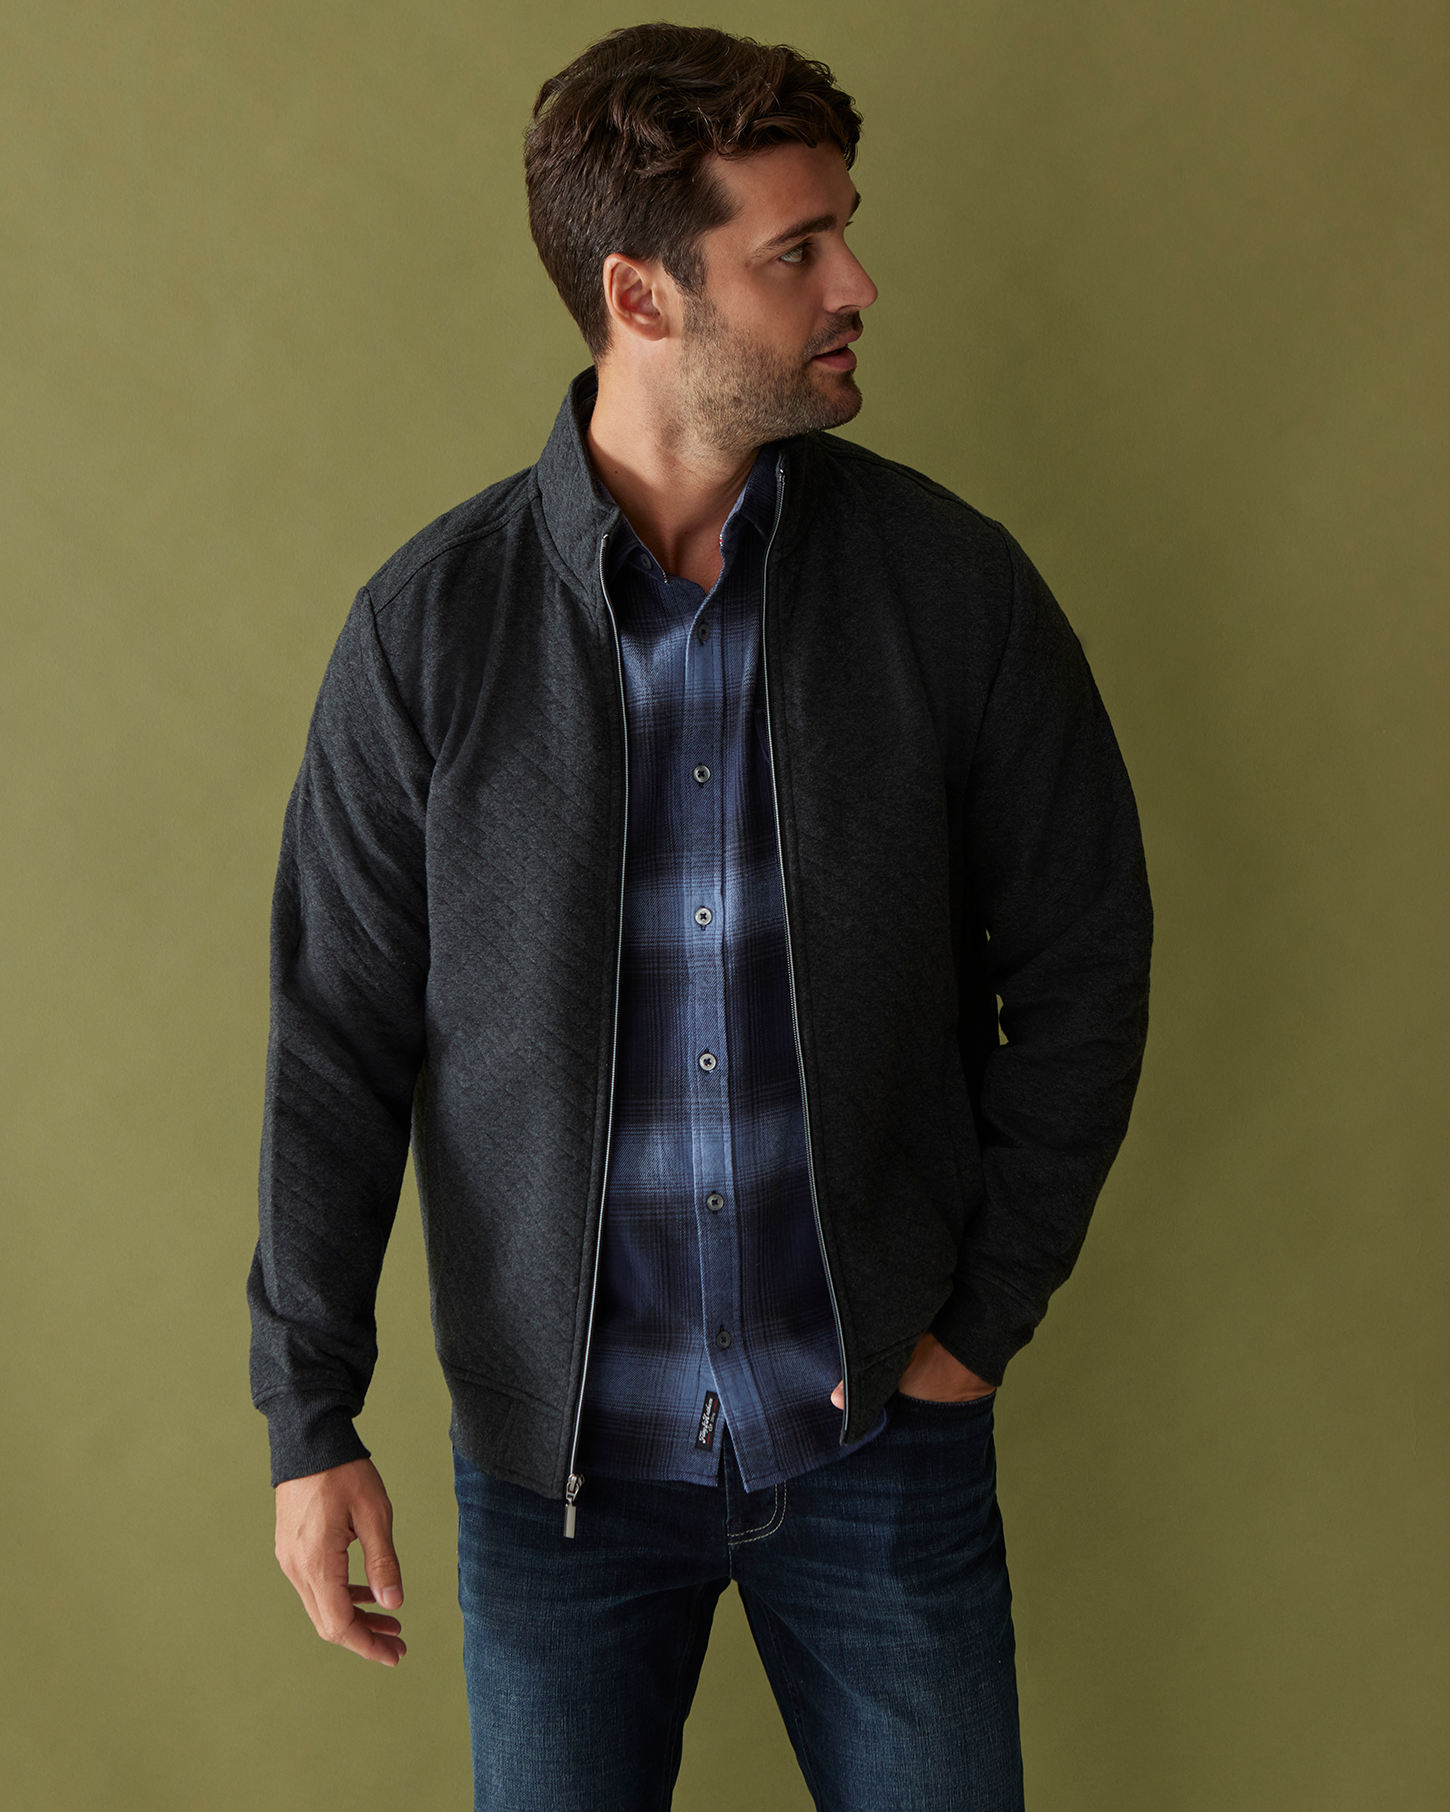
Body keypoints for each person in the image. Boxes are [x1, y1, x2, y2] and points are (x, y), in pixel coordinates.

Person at [249, 22, 1152, 1812]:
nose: (856, 284)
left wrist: (975, 1327)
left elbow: (1083, 967)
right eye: (794, 250)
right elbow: (335, 1038)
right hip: (557, 1492)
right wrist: (309, 1417)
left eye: (843, 233)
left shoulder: (951, 592)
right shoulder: (430, 634)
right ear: (639, 293)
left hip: (878, 1442)